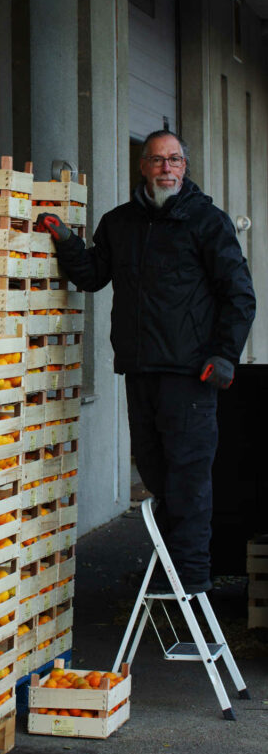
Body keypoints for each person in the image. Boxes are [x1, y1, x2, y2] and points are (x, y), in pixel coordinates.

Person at [36, 130, 256, 593]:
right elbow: (94, 275)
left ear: (184, 166)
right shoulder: (120, 224)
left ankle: (191, 584)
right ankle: (169, 571)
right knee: (156, 474)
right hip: (140, 370)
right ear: (142, 167)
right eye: (156, 160)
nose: (166, 169)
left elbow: (239, 295)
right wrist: (65, 242)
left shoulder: (207, 223)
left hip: (192, 373)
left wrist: (224, 356)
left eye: (174, 160)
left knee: (188, 480)